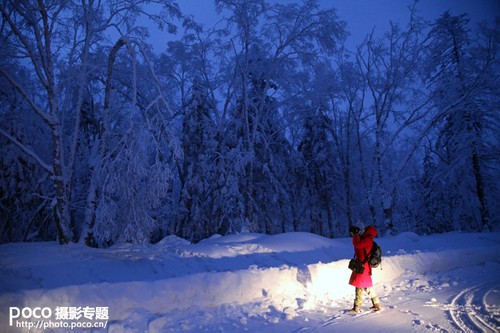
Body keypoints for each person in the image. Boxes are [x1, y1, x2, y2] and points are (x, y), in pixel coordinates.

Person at [348, 225, 381, 313]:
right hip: (363, 265)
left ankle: (357, 307)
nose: (363, 230)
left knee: (359, 286)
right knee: (366, 286)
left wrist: (356, 235)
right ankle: (376, 304)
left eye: (365, 229)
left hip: (363, 266)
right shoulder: (366, 238)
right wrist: (356, 236)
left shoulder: (368, 239)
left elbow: (358, 245)